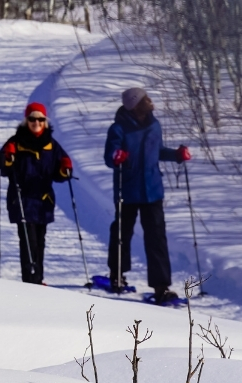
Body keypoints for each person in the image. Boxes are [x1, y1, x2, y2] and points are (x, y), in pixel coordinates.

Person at [103, 87, 191, 304]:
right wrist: (117, 156)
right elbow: (109, 156)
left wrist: (176, 155)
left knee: (157, 238)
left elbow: (158, 151)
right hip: (128, 191)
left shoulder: (154, 125)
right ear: (134, 105)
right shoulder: (118, 128)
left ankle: (161, 287)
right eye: (145, 99)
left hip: (152, 191)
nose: (150, 102)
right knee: (122, 234)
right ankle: (117, 276)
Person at [0, 102, 72, 284]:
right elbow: (1, 168)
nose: (36, 122)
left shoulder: (51, 145)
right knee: (28, 242)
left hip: (43, 200)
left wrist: (65, 169)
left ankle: (38, 279)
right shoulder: (15, 142)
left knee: (39, 242)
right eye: (32, 118)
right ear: (26, 120)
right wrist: (6, 158)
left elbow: (59, 173)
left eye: (40, 119)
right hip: (22, 199)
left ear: (45, 121)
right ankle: (30, 281)